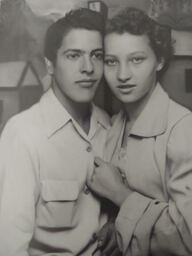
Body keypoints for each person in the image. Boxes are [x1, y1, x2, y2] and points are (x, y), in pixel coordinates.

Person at [0, 8, 113, 256]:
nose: (88, 68)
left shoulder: (109, 126)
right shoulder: (23, 134)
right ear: (49, 65)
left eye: (97, 56)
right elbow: (10, 248)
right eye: (74, 56)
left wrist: (115, 224)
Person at [87, 7, 192, 256]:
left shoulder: (183, 129)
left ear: (160, 61)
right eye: (112, 62)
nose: (123, 75)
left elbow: (187, 239)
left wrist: (121, 194)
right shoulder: (113, 126)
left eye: (136, 59)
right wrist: (116, 228)